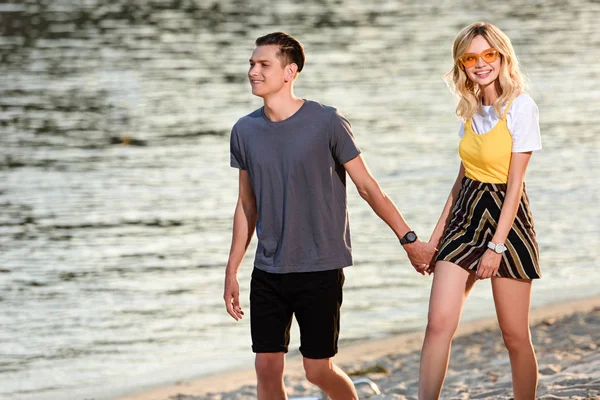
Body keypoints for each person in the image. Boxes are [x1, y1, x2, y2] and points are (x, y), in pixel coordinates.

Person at [224, 32, 436, 399]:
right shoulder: (245, 130)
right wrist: (232, 270)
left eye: (263, 65)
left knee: (317, 369)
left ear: (289, 72)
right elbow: (247, 205)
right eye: (251, 64)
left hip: (320, 267)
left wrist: (410, 241)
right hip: (268, 269)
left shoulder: (327, 122)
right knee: (266, 365)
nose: (253, 71)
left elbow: (369, 188)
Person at [418, 22, 542, 400]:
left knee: (514, 335)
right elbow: (459, 184)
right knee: (438, 323)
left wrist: (497, 246)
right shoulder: (470, 111)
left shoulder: (521, 106)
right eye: (471, 57)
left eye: (489, 54)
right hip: (464, 220)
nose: (481, 63)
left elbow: (515, 185)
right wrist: (434, 241)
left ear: (502, 57)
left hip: (507, 221)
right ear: (462, 63)